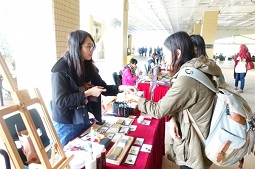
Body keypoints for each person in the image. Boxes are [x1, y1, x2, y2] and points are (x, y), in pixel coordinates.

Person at [128, 31, 224, 169]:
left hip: (194, 145)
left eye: (166, 53)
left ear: (178, 53)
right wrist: (172, 118)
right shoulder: (196, 70)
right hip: (199, 133)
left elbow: (158, 110)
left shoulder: (187, 79)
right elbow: (184, 101)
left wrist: (137, 99)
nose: (164, 58)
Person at [51, 30, 136, 146]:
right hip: (66, 123)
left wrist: (120, 87)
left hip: (83, 117)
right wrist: (87, 93)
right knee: (68, 159)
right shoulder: (60, 70)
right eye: (88, 46)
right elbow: (61, 101)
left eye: (93, 46)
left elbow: (102, 87)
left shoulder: (87, 66)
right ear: (77, 47)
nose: (92, 50)